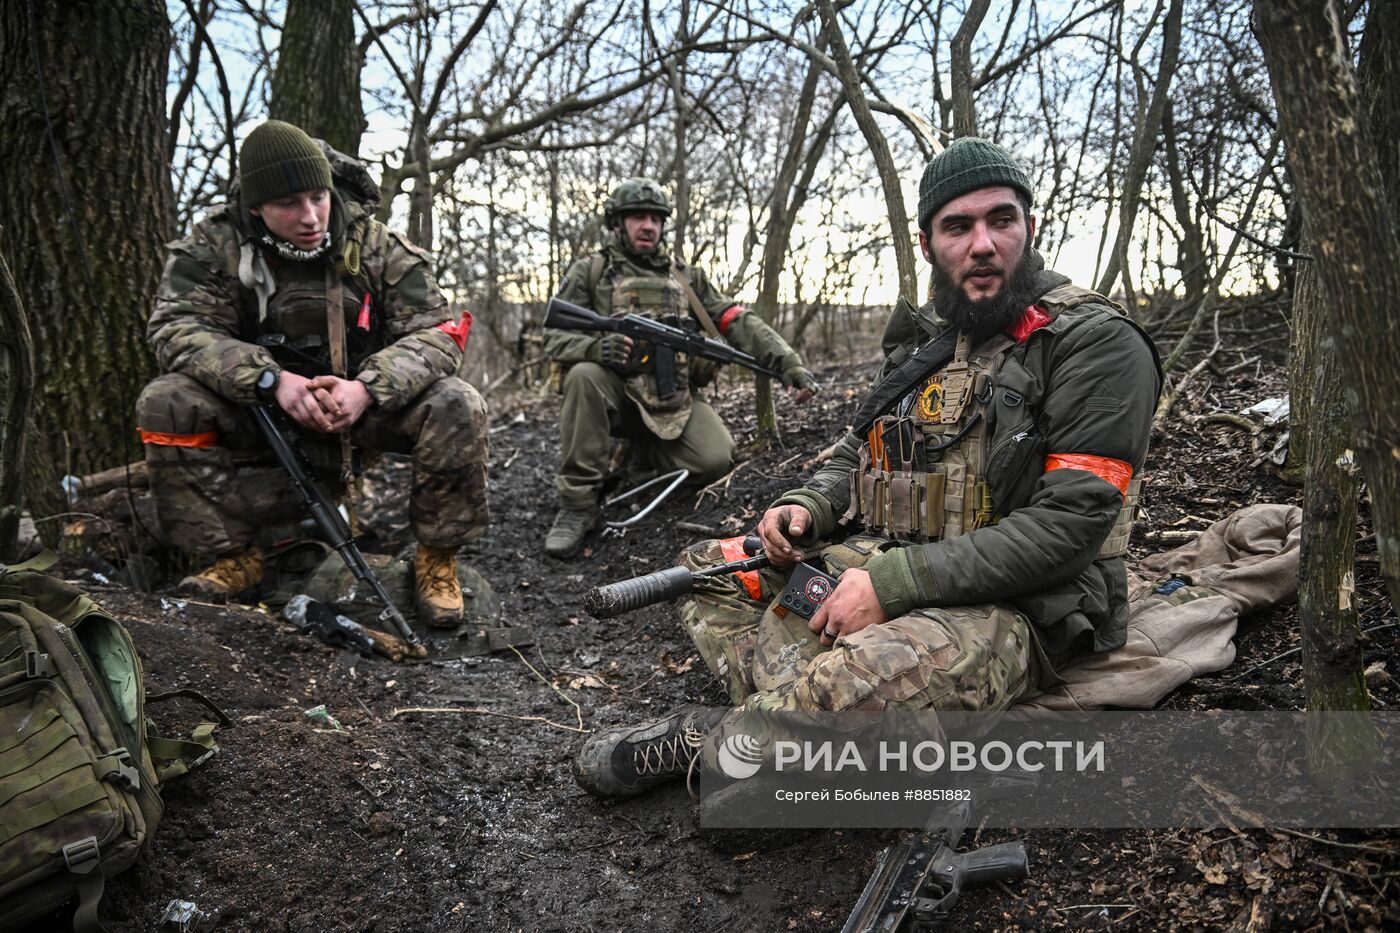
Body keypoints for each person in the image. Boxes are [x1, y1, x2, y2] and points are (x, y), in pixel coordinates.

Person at [573, 138, 1162, 797]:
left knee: (867, 678)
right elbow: (862, 452)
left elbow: (1067, 528)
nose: (984, 244)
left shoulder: (1093, 342)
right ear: (927, 242)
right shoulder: (930, 340)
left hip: (1024, 604)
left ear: (1030, 225)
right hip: (893, 561)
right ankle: (803, 718)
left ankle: (718, 739)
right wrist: (808, 506)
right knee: (711, 570)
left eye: (1001, 220)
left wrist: (893, 583)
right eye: (958, 226)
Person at [137, 120, 488, 628]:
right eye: (289, 204)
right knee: (165, 401)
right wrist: (269, 380)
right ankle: (231, 556)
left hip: (360, 408)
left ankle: (436, 558)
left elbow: (438, 333)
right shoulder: (216, 244)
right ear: (256, 207)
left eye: (318, 197)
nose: (310, 217)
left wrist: (368, 387)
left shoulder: (371, 241)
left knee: (457, 402)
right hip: (259, 410)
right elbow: (174, 328)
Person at [541, 177, 818, 558]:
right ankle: (577, 504)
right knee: (583, 375)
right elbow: (552, 338)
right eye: (637, 217)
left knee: (715, 459)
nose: (648, 226)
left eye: (655, 218)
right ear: (617, 224)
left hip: (675, 400)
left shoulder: (686, 278)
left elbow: (736, 320)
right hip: (616, 399)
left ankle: (641, 458)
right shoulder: (592, 272)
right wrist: (596, 347)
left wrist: (788, 362)